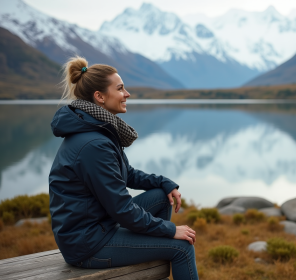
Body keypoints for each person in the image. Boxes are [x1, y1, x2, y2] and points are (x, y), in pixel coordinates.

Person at [48, 56, 199, 279]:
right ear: (99, 97)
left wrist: (163, 182)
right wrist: (170, 231)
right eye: (120, 89)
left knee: (160, 195)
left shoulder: (98, 129)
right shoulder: (95, 144)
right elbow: (121, 209)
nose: (127, 94)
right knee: (182, 247)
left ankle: (153, 247)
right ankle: (160, 248)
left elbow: (126, 174)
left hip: (97, 228)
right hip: (88, 245)